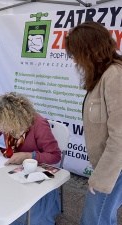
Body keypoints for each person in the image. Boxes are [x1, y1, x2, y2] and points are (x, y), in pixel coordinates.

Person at [65, 21, 122, 225]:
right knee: (103, 216)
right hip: (110, 165)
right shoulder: (103, 74)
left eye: (76, 54)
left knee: (95, 219)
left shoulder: (115, 76)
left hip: (115, 167)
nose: (75, 61)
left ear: (90, 51)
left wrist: (101, 179)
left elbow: (120, 137)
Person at [0, 92, 61, 225]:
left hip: (36, 176)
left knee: (29, 218)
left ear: (17, 119)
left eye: (6, 125)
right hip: (12, 172)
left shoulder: (39, 124)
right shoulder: (6, 121)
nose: (4, 129)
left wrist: (29, 156)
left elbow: (55, 156)